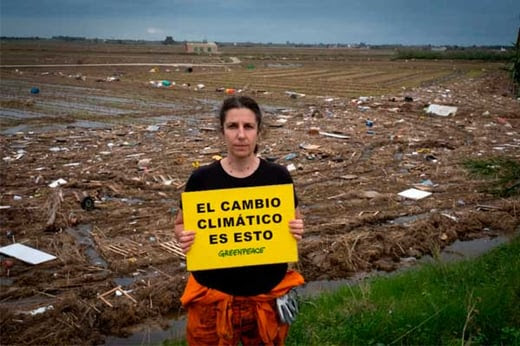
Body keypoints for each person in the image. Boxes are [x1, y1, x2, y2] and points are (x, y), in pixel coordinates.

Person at [174, 95, 305, 345]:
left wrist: (297, 228)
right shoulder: (202, 178)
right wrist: (182, 235)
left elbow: (295, 221)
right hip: (213, 298)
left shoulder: (277, 176)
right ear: (222, 130)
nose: (241, 135)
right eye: (233, 126)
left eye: (248, 126)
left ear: (259, 131)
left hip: (265, 296)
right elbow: (180, 223)